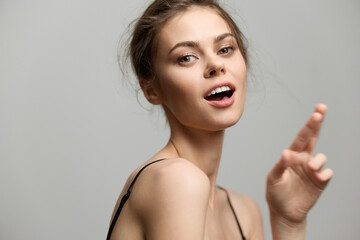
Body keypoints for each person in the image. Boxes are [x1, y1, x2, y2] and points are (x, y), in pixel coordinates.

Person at [106, 0, 333, 239]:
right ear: (151, 90)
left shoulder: (245, 213)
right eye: (186, 58)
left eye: (225, 49)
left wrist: (289, 223)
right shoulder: (175, 180)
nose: (215, 65)